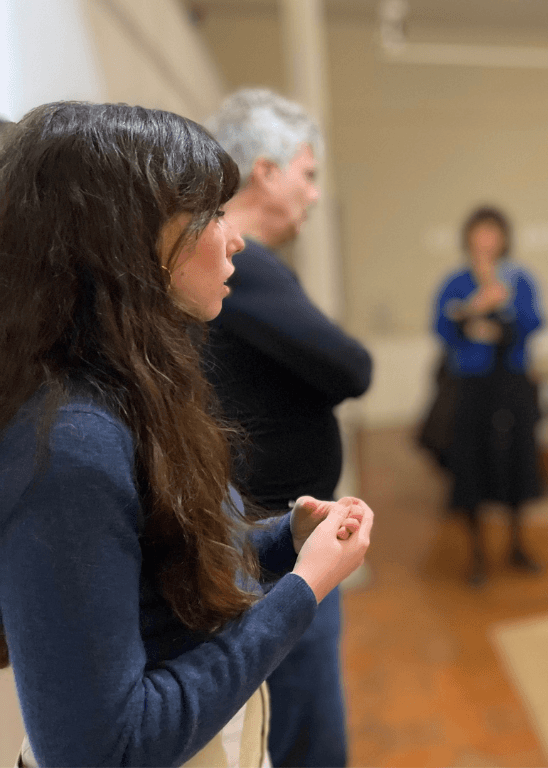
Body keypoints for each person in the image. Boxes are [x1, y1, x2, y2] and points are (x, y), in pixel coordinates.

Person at [0, 101, 372, 767]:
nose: (235, 240)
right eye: (210, 215)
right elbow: (105, 750)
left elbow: (157, 562)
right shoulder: (72, 444)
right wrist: (302, 590)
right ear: (127, 240)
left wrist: (283, 540)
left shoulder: (131, 391)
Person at [205, 88, 372, 768]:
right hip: (274, 544)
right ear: (266, 171)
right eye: (307, 173)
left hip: (271, 531)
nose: (314, 193)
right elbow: (352, 366)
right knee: (307, 736)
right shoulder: (245, 266)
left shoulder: (243, 268)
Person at [433, 206, 544, 587]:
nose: (486, 241)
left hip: (512, 381)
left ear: (504, 238)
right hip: (472, 384)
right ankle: (477, 553)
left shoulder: (520, 279)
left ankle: (517, 544)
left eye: (492, 233)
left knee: (518, 459)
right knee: (471, 462)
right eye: (479, 233)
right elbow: (442, 328)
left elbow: (534, 322)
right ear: (468, 238)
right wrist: (477, 306)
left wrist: (501, 310)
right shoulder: (456, 282)